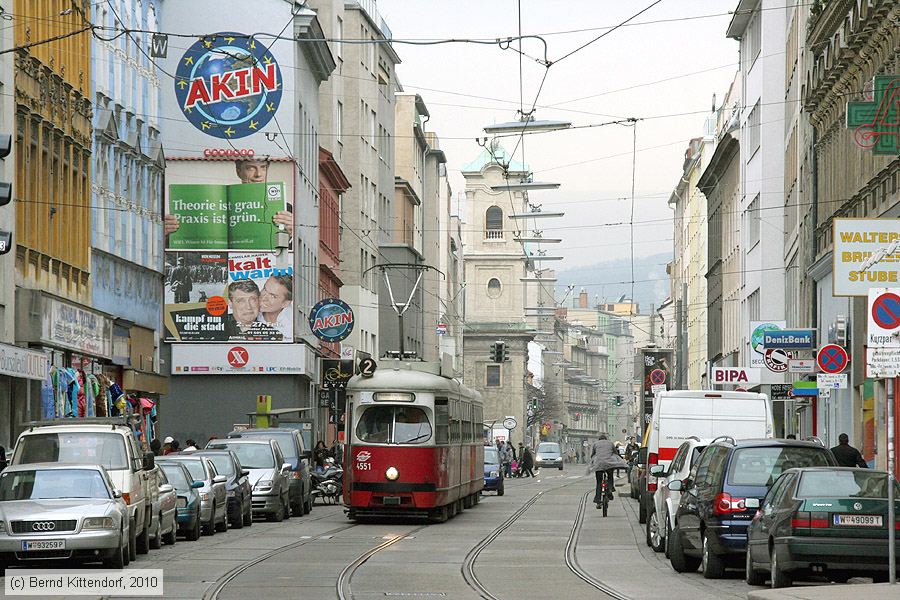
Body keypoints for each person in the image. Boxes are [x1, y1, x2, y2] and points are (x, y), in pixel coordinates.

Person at [587, 433, 627, 508]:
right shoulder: (610, 443)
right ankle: (610, 488)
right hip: (609, 464)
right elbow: (615, 453)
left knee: (599, 482)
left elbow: (593, 455)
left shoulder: (595, 444)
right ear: (606, 439)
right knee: (610, 476)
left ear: (599, 440)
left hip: (598, 464)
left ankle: (598, 499)